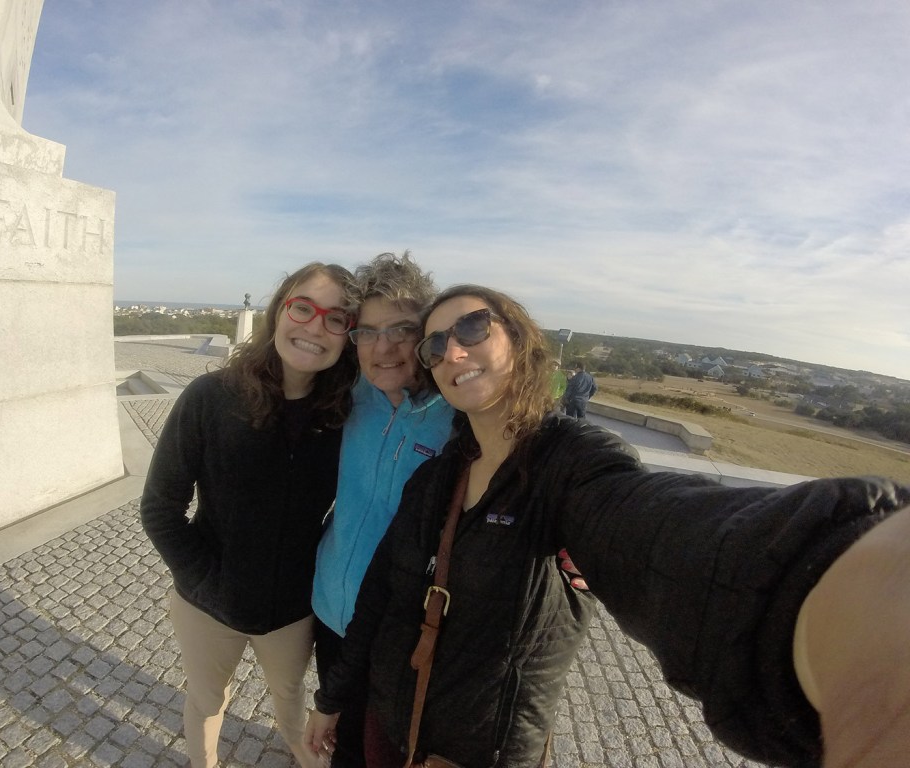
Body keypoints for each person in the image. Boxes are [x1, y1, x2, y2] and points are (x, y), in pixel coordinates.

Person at [304, 283, 910, 768]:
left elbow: (652, 529)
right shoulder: (437, 477)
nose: (453, 351)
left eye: (471, 328)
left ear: (518, 340)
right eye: (435, 346)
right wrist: (331, 700)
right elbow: (383, 597)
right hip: (386, 730)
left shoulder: (568, 463)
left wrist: (820, 580)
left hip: (478, 750)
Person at [140, 262, 360, 768]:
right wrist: (207, 581)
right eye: (303, 307)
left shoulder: (346, 415)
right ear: (279, 310)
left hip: (292, 611)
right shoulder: (211, 397)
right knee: (207, 700)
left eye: (335, 319)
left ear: (348, 336)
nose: (314, 326)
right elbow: (159, 507)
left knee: (289, 701)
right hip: (206, 606)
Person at [312, 252, 455, 767]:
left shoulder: (458, 418)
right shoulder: (349, 395)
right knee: (338, 734)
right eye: (368, 331)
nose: (384, 346)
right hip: (330, 608)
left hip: (399, 631)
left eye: (401, 329)